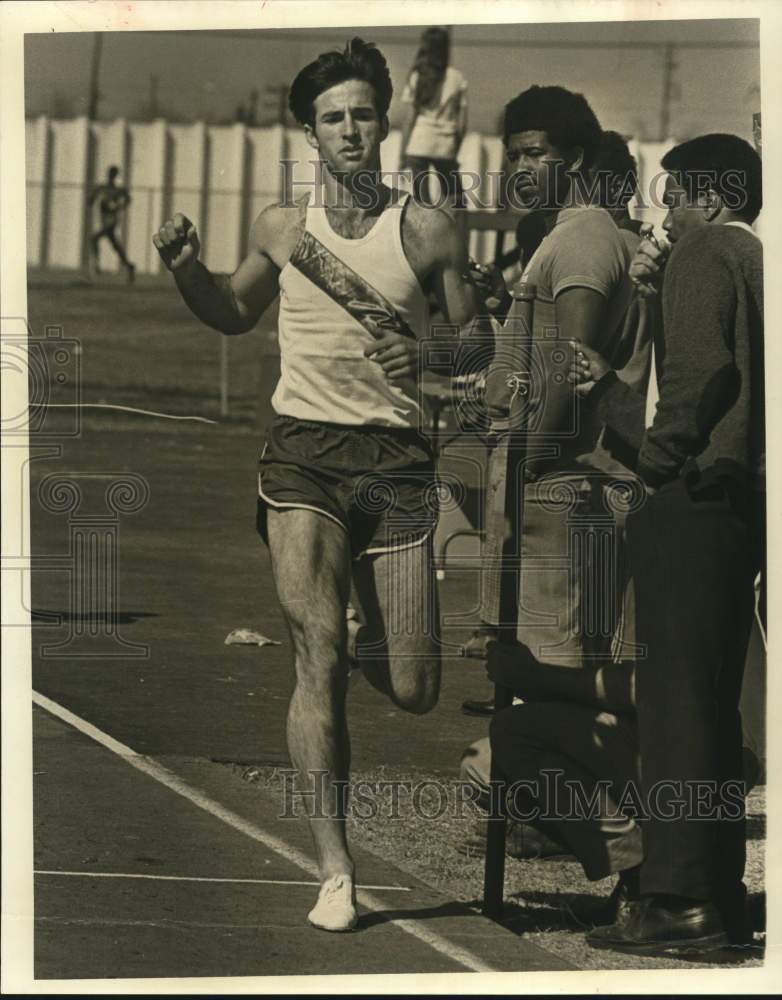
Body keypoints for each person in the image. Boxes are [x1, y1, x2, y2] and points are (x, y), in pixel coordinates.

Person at [153, 37, 480, 933]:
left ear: (385, 123)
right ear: (310, 132)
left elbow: (477, 340)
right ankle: (334, 869)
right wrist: (185, 266)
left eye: (363, 114)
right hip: (302, 456)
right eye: (332, 117)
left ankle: (373, 619)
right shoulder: (281, 228)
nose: (350, 130)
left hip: (398, 461)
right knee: (315, 653)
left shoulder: (426, 228)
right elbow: (230, 309)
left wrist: (429, 354)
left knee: (412, 684)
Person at [569, 133, 764, 954]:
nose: (662, 214)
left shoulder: (705, 250)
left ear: (711, 197)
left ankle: (677, 901)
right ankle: (714, 887)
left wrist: (644, 444)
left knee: (675, 706)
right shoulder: (750, 255)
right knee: (713, 706)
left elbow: (698, 375)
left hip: (690, 498)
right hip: (741, 503)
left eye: (674, 195)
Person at [399, 27, 467, 208]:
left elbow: (409, 121)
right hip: (445, 146)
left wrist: (402, 155)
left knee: (422, 203)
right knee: (456, 202)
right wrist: (454, 149)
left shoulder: (416, 77)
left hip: (417, 145)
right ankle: (454, 234)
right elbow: (462, 125)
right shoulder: (457, 78)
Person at [89, 165, 135, 282]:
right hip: (105, 219)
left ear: (115, 176)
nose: (111, 176)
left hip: (112, 220)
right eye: (110, 173)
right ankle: (129, 266)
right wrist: (93, 199)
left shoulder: (117, 190)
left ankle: (96, 265)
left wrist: (118, 207)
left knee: (94, 238)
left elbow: (128, 199)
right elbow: (90, 199)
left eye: (113, 174)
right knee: (115, 245)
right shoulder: (102, 188)